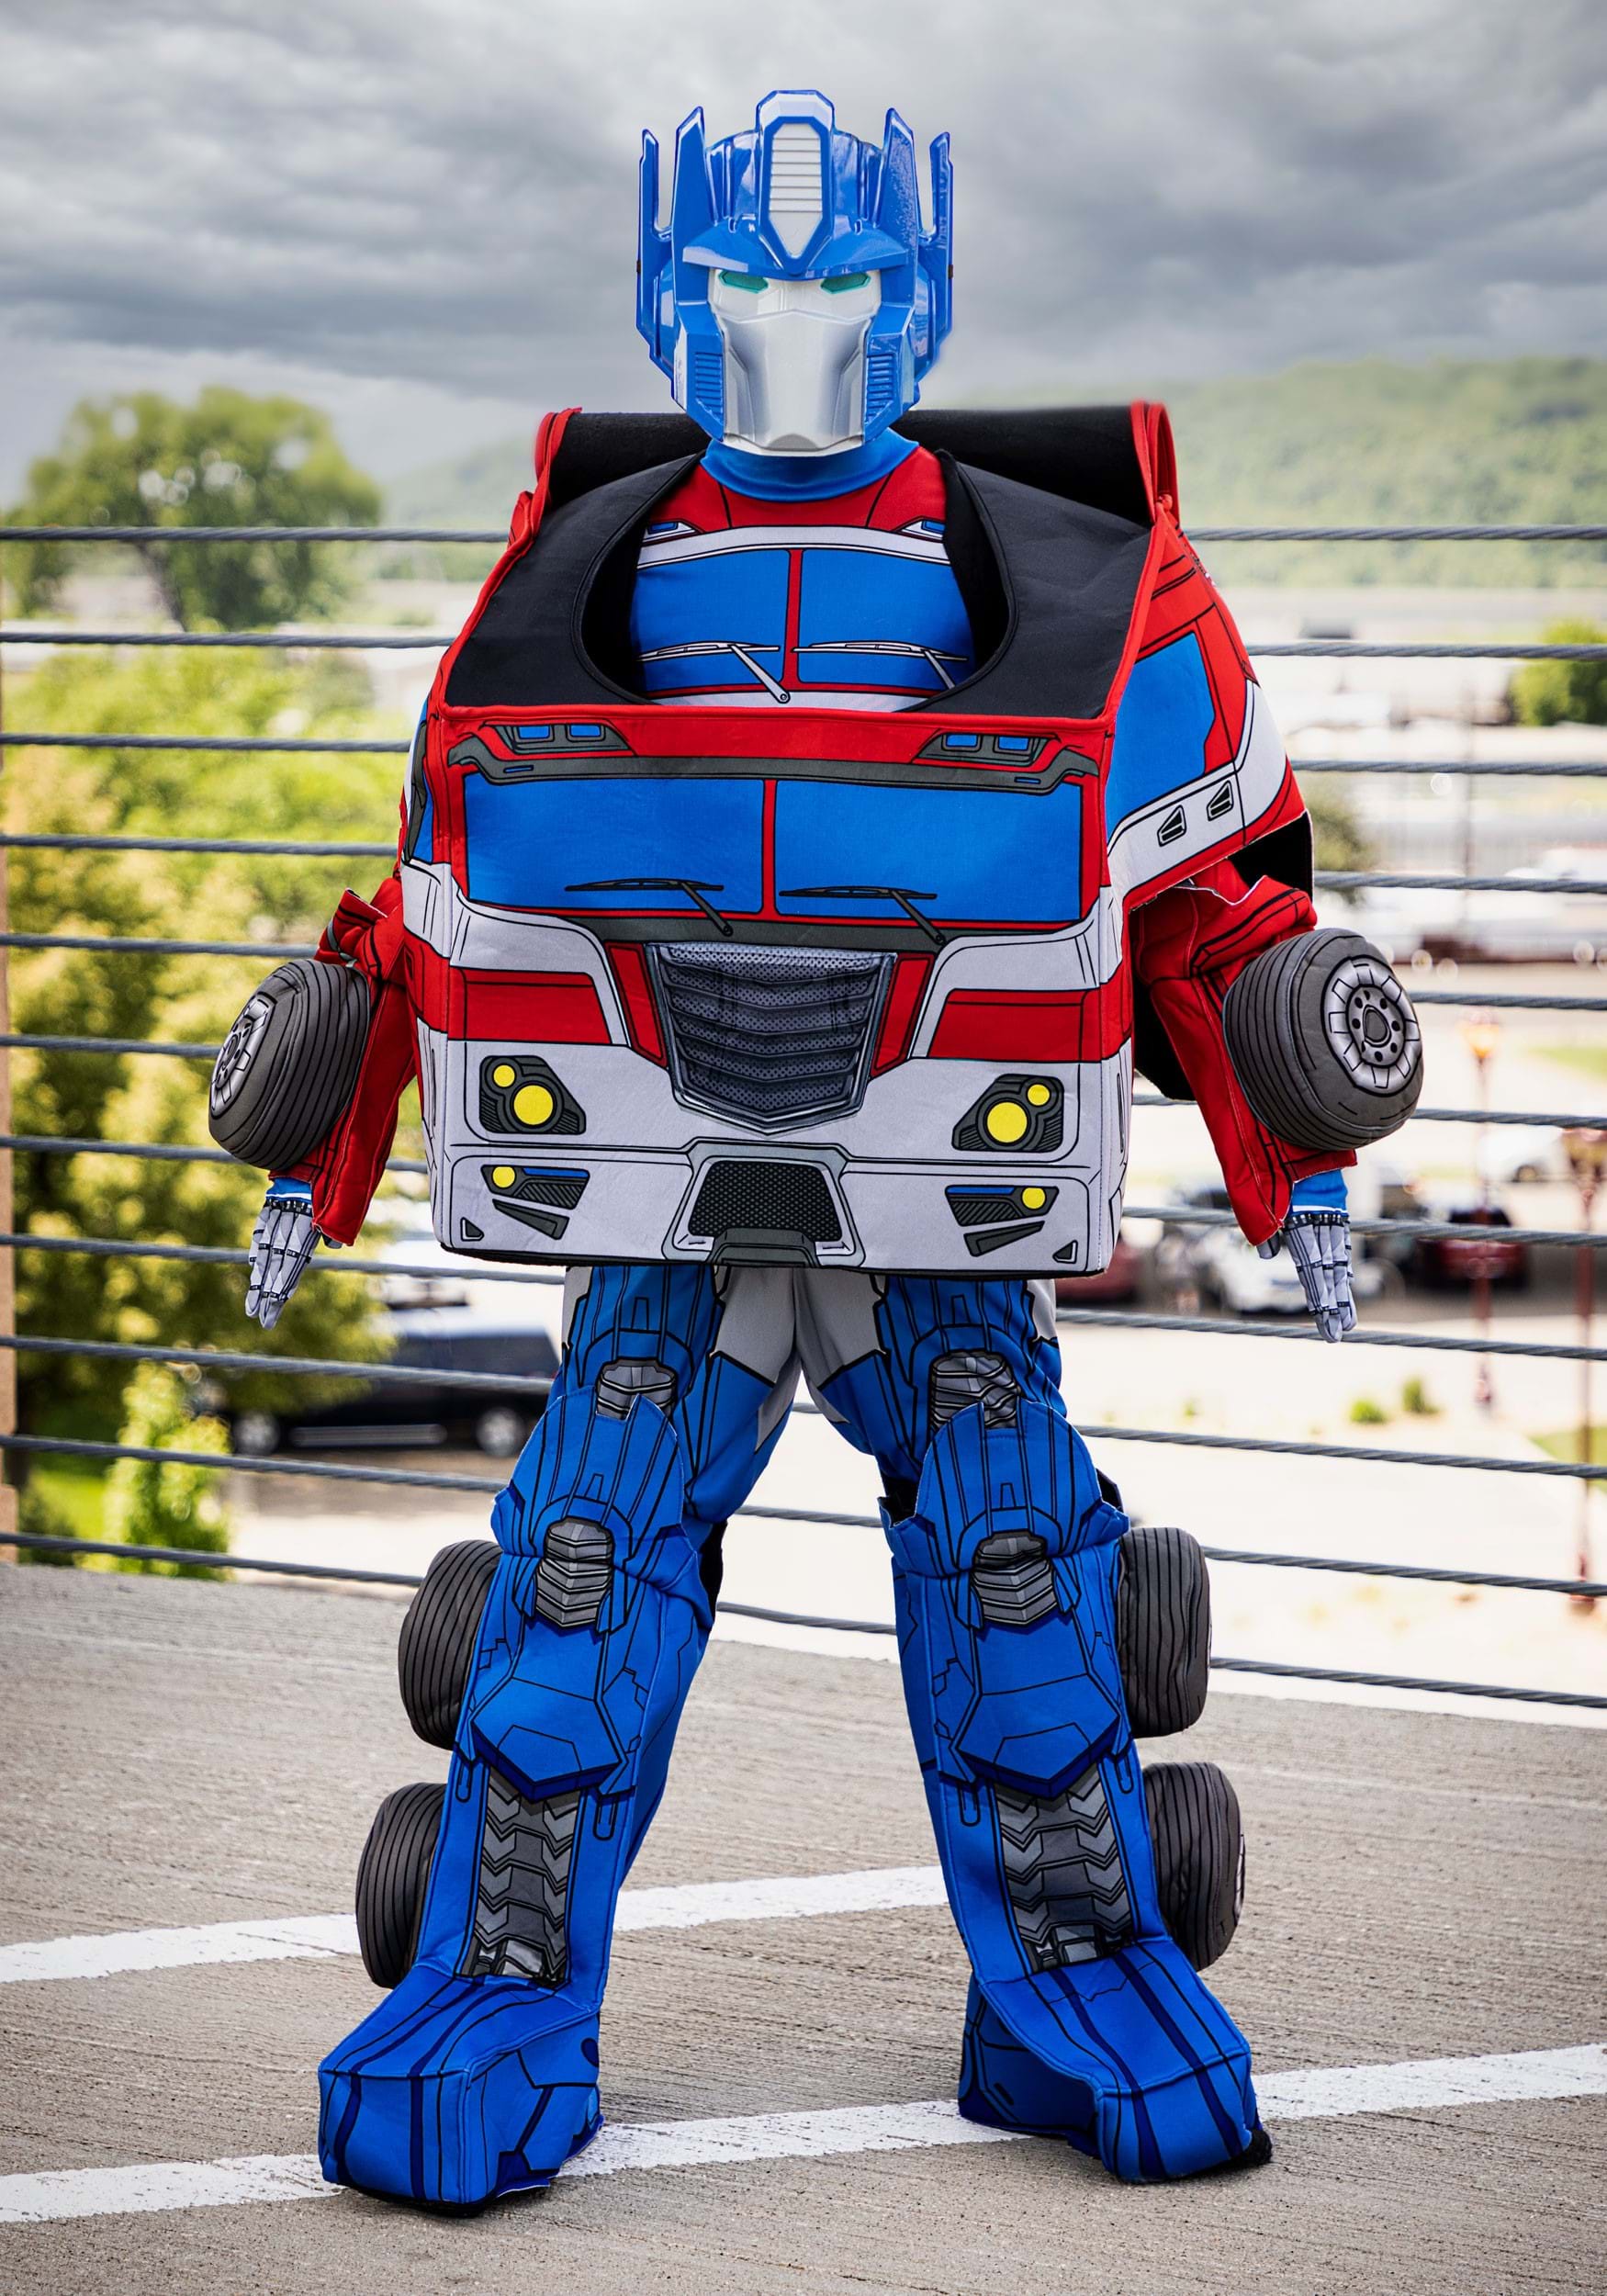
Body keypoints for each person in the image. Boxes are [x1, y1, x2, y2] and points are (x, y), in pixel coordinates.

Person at [210, 91, 1423, 2208]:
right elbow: (431, 902)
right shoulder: (573, 566)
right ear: (666, 299)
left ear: (911, 296)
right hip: (652, 1179)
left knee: (1016, 1574)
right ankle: (497, 1982)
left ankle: (1075, 1971)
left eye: (837, 278)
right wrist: (313, 1128)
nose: (790, 324)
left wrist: (1291, 1097)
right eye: (737, 281)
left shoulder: (1065, 569)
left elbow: (1185, 891)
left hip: (937, 1185)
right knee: (574, 1584)